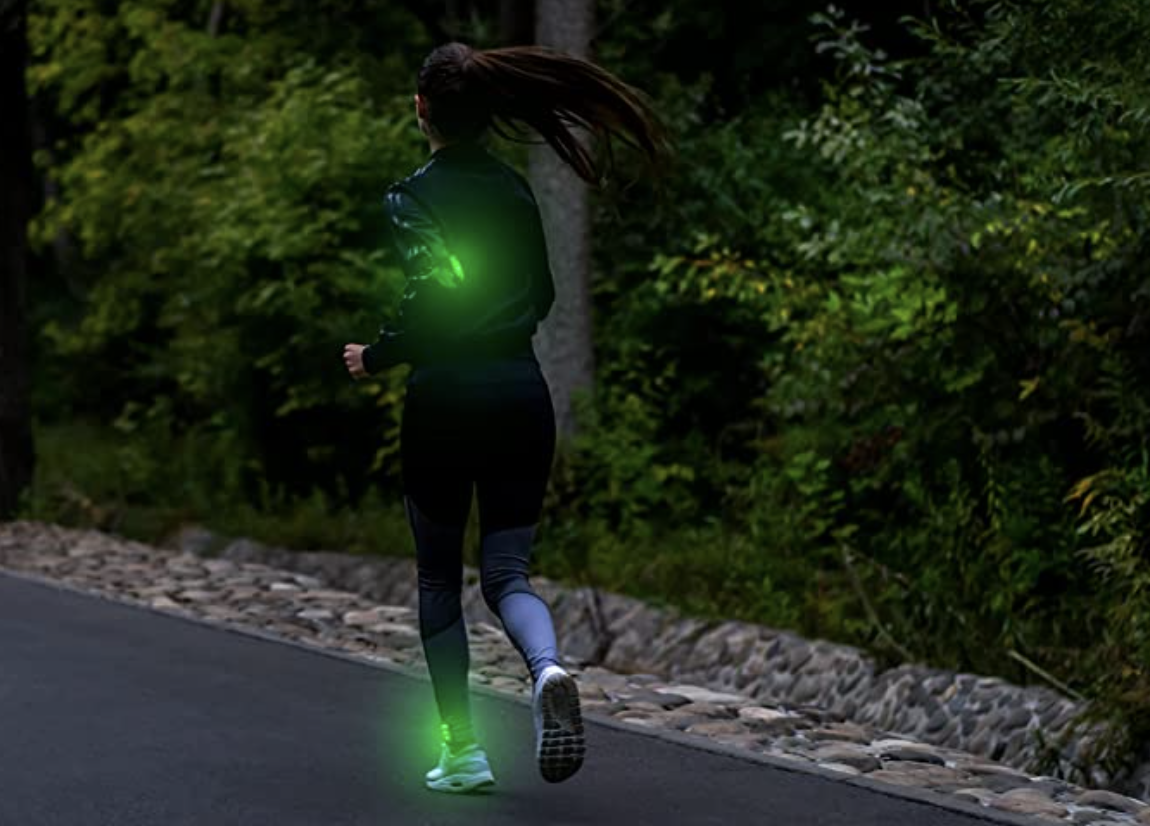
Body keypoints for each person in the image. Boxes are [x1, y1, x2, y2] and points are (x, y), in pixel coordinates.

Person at [342, 40, 673, 794]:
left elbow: (434, 294)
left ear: (422, 109)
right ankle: (548, 667)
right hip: (522, 395)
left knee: (437, 579)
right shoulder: (518, 193)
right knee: (507, 571)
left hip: (445, 404)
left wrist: (379, 356)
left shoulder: (411, 196)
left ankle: (462, 752)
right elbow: (544, 298)